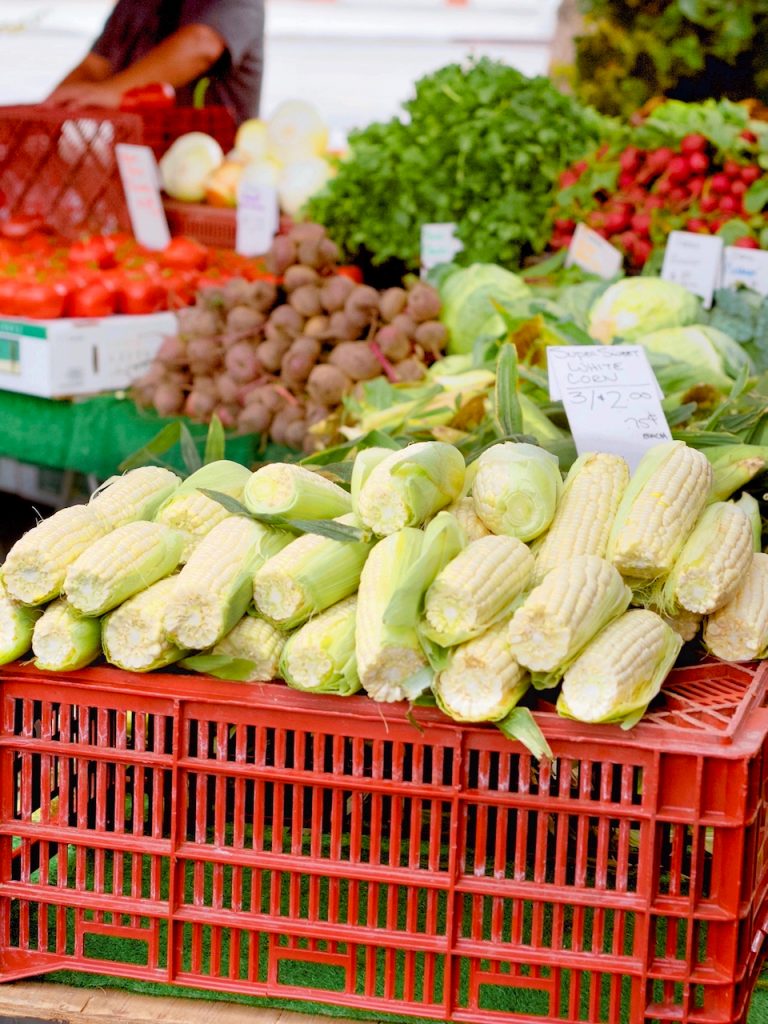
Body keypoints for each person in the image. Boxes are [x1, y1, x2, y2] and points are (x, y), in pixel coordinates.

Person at [46, 0, 265, 123]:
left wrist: (116, 91)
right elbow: (94, 66)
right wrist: (44, 117)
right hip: (136, 174)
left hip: (216, 183)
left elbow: (202, 45)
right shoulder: (132, 5)